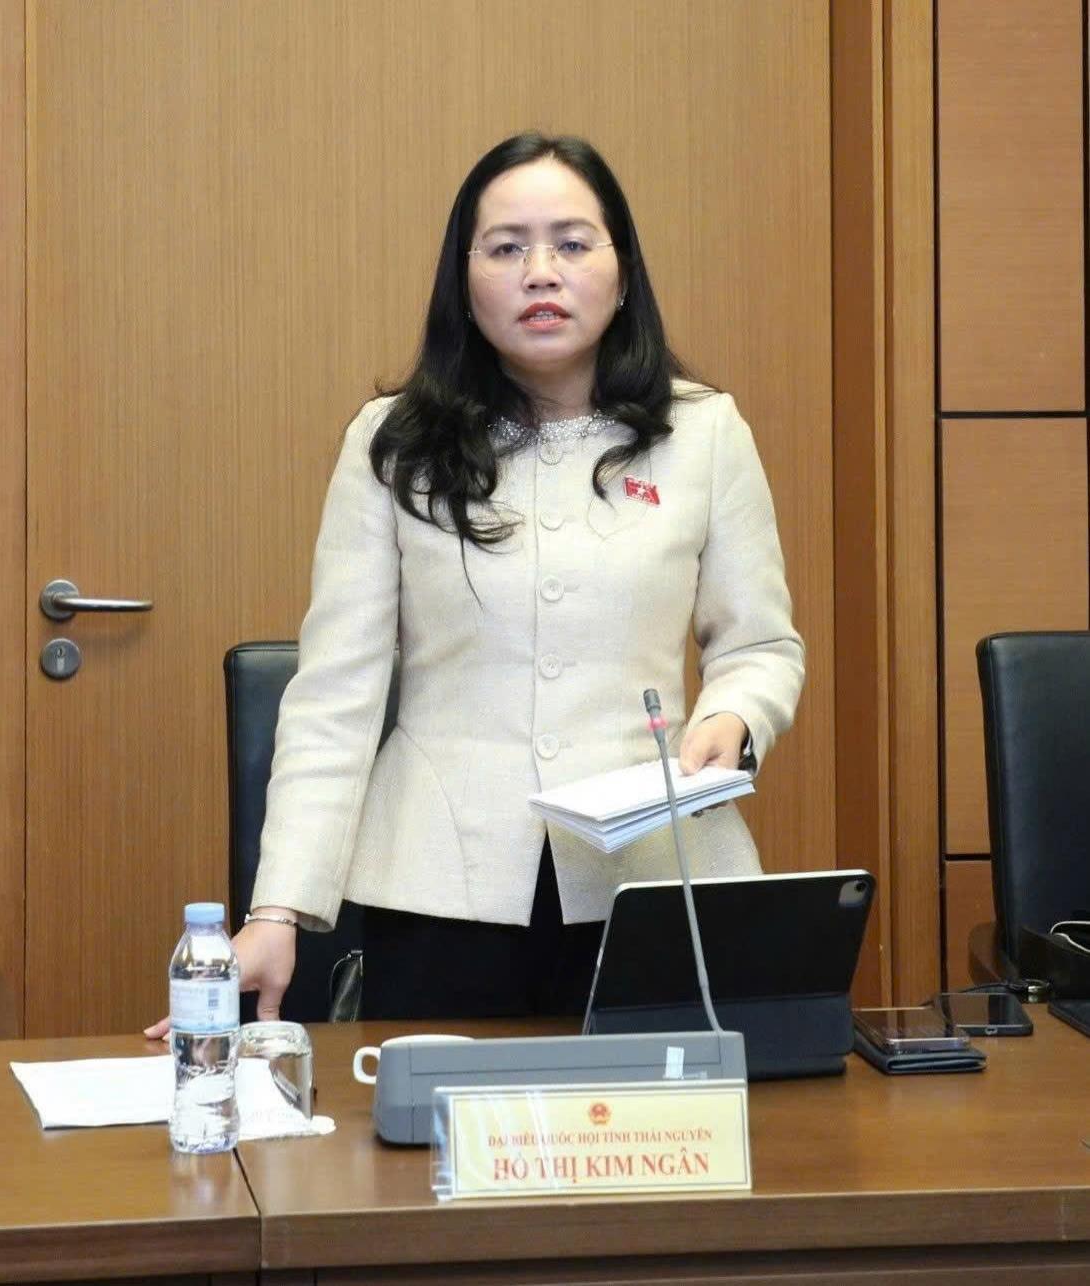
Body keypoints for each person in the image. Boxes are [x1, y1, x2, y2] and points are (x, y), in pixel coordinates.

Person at [154, 132, 803, 1033]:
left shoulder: (704, 433)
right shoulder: (394, 443)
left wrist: (734, 717)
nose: (541, 273)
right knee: (436, 1118)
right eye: (505, 248)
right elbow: (336, 694)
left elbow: (760, 646)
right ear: (464, 281)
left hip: (650, 878)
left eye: (572, 244)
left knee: (652, 1120)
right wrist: (277, 909)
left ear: (622, 273)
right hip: (440, 892)